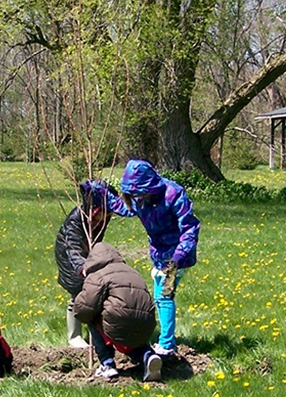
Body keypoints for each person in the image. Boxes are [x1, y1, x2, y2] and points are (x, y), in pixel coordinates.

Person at [114, 159, 200, 356]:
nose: (137, 198)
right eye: (133, 194)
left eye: (140, 193)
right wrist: (100, 194)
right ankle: (166, 341)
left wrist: (177, 259)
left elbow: (190, 228)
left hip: (178, 255)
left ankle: (167, 345)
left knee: (164, 295)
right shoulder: (138, 197)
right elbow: (125, 207)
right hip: (159, 254)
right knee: (160, 296)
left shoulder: (173, 194)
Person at [73, 242, 162, 382]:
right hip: (146, 324)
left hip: (120, 322)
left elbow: (84, 309)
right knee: (131, 335)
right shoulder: (132, 271)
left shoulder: (98, 275)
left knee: (93, 318)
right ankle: (148, 355)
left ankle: (107, 364)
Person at [55, 179, 117, 348]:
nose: (107, 217)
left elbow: (96, 240)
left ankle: (97, 333)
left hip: (88, 254)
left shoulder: (103, 217)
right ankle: (74, 336)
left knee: (97, 291)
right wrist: (82, 267)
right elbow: (72, 245)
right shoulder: (78, 219)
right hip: (70, 255)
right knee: (79, 290)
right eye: (104, 213)